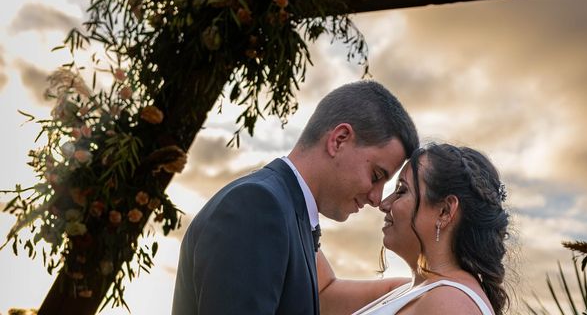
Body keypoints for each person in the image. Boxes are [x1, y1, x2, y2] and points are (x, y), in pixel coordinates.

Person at [171, 80, 419, 314]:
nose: (377, 199)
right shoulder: (258, 206)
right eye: (376, 175)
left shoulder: (291, 211)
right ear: (339, 140)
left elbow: (326, 292)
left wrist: (429, 289)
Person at [318, 143, 510, 315]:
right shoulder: (414, 290)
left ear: (444, 211)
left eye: (402, 191)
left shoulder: (449, 303)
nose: (384, 204)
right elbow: (323, 293)